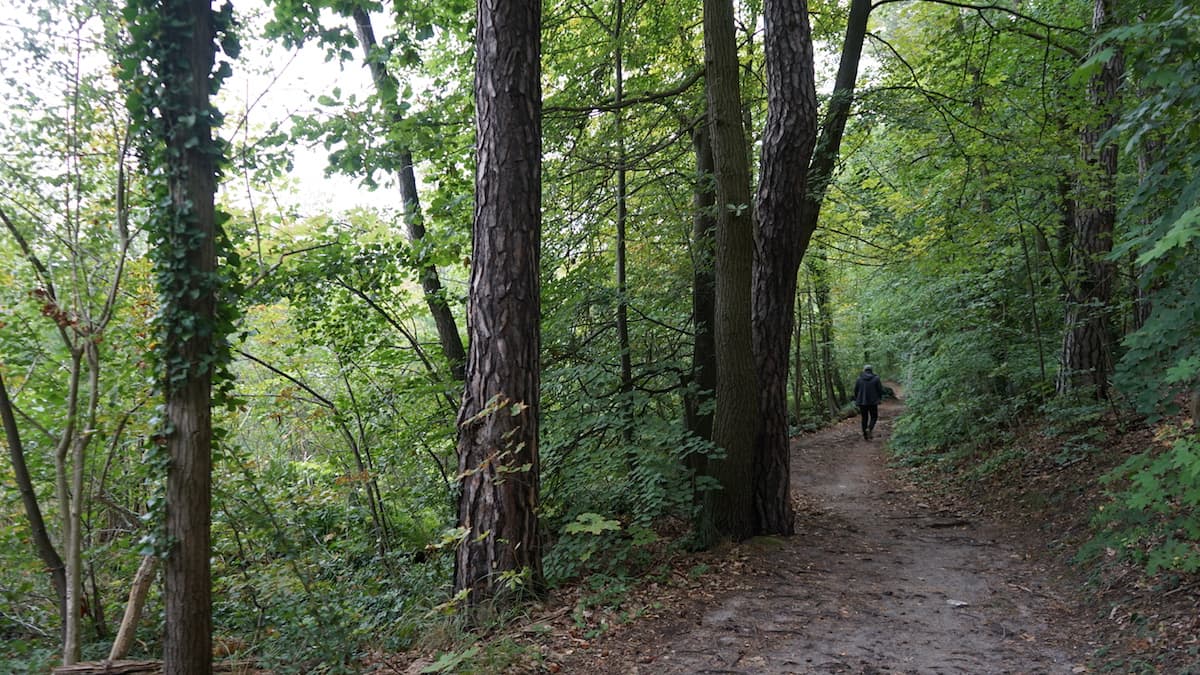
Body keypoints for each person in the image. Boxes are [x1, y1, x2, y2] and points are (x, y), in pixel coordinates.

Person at [853, 365, 884, 440]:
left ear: (864, 370)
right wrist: (879, 398)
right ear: (871, 370)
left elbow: (855, 390)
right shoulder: (876, 378)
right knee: (874, 416)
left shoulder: (859, 379)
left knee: (864, 418)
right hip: (873, 402)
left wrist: (858, 398)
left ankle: (865, 436)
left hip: (862, 402)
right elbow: (880, 390)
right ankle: (869, 429)